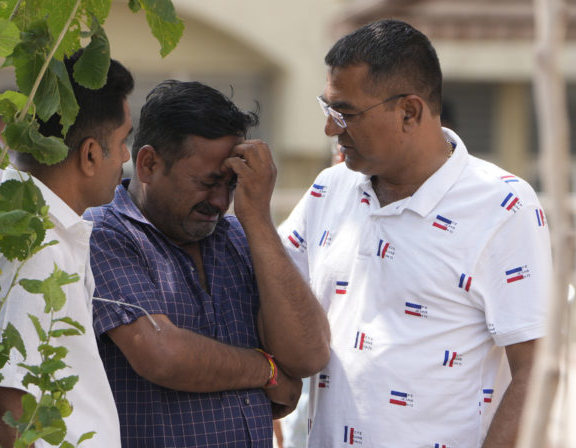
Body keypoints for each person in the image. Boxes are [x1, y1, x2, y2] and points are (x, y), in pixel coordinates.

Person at [278, 19, 552, 448]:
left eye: (345, 113)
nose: (331, 129)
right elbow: (269, 296)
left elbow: (535, 371)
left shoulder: (504, 205)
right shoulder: (328, 190)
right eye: (326, 109)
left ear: (410, 111)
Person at [84, 80, 331, 447]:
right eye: (207, 182)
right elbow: (163, 354)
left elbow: (309, 354)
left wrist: (259, 220)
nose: (220, 201)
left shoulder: (240, 234)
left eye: (231, 184)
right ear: (149, 164)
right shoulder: (103, 231)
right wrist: (267, 370)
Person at [0, 49, 135, 447]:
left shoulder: (37, 227)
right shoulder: (30, 246)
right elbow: (2, 407)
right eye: (123, 140)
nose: (128, 155)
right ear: (91, 155)